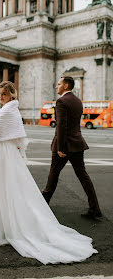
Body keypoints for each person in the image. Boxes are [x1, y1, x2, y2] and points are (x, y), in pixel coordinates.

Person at [0, 81, 97, 265]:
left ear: (11, 95)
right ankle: (91, 206)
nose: (1, 97)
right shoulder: (76, 101)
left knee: (6, 183)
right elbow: (16, 134)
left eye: (4, 94)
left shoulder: (8, 111)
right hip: (66, 144)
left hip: (6, 152)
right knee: (63, 177)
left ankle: (15, 212)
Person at [42, 76, 102, 219]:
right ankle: (94, 207)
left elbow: (61, 125)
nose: (56, 86)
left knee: (53, 174)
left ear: (66, 85)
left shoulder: (61, 101)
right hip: (77, 143)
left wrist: (61, 147)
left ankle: (43, 203)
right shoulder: (77, 101)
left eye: (58, 84)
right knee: (83, 176)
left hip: (64, 144)